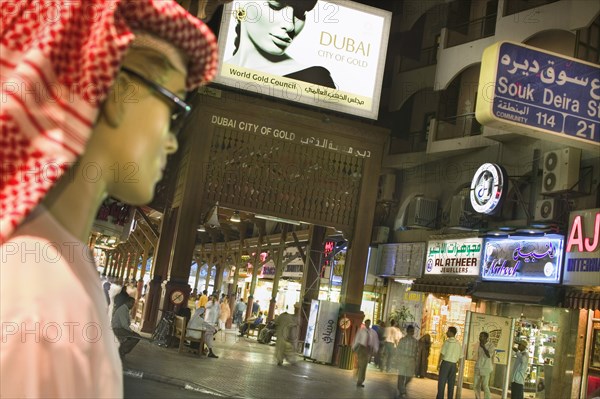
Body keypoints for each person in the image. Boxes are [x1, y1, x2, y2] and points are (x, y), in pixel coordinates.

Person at [0, 1, 218, 396]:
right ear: (116, 93)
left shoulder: (56, 263)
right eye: (173, 110)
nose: (171, 140)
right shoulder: (41, 296)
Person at [226, 0, 336, 88]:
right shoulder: (216, 70)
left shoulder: (315, 80)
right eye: (275, 6)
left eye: (300, 12)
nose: (290, 26)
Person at [437, 326, 463, 399]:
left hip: (446, 364)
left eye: (448, 331)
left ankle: (440, 397)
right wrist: (458, 366)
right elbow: (461, 357)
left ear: (451, 332)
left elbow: (442, 354)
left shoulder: (447, 342)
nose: (446, 332)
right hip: (454, 365)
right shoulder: (458, 343)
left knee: (441, 383)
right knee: (451, 384)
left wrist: (438, 364)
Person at [352, 318, 379, 388]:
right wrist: (353, 347)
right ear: (365, 323)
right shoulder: (361, 331)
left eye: (369, 323)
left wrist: (375, 350)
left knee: (363, 365)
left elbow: (375, 341)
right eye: (367, 323)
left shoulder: (373, 332)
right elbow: (357, 339)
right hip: (361, 348)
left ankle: (360, 379)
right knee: (362, 364)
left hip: (367, 350)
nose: (368, 324)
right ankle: (359, 380)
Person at [396, 325, 418, 399]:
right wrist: (398, 359)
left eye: (413, 331)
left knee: (409, 376)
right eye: (411, 331)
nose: (412, 332)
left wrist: (415, 361)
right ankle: (402, 390)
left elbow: (416, 352)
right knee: (401, 375)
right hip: (403, 358)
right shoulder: (402, 340)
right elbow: (398, 350)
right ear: (408, 331)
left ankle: (403, 386)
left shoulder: (415, 341)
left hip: (411, 360)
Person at [473, 331, 496, 399]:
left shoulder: (491, 345)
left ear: (486, 337)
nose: (480, 338)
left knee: (485, 385)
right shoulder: (479, 345)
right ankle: (477, 397)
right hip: (478, 366)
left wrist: (483, 347)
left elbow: (489, 355)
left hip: (486, 368)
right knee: (475, 385)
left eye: (481, 336)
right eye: (480, 336)